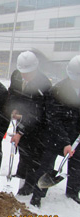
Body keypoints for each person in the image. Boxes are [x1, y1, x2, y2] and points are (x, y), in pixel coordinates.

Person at [30, 55, 80, 207]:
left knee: (77, 164)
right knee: (47, 164)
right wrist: (65, 142)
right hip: (55, 135)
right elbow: (54, 120)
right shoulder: (57, 91)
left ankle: (73, 191)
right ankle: (38, 194)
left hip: (77, 135)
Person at [9, 51, 52, 195]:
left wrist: (20, 132)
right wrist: (14, 107)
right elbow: (13, 93)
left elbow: (36, 112)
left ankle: (29, 184)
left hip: (39, 127)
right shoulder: (17, 75)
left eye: (27, 72)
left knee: (34, 155)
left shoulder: (43, 84)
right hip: (24, 119)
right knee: (23, 151)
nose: (23, 75)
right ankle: (20, 176)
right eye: (22, 72)